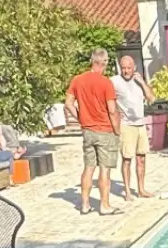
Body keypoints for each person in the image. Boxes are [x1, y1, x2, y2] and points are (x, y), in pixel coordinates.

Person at [65, 48, 122, 214]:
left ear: (92, 61)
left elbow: (68, 103)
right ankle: (104, 205)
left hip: (87, 130)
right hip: (104, 130)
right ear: (104, 62)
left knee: (89, 167)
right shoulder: (105, 82)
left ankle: (85, 204)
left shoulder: (78, 80)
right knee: (105, 169)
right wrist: (117, 130)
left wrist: (81, 118)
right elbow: (112, 110)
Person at [112, 54, 154, 199]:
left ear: (134, 67)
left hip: (140, 124)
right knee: (127, 159)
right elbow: (107, 100)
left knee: (141, 158)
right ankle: (128, 191)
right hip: (126, 126)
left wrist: (142, 82)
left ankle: (141, 189)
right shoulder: (114, 82)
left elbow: (151, 98)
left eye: (129, 68)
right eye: (123, 68)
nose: (126, 71)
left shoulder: (138, 80)